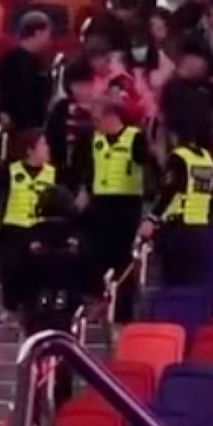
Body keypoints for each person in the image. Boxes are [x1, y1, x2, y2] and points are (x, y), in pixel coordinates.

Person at [16, 185, 101, 405]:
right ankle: (62, 407)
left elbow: (13, 271)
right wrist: (94, 295)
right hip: (68, 308)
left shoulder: (27, 236)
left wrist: (13, 303)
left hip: (35, 307)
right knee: (65, 360)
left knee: (34, 359)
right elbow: (92, 271)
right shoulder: (80, 238)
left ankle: (33, 411)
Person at [71, 101, 151, 314]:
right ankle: (97, 298)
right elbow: (90, 168)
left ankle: (122, 309)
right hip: (100, 202)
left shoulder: (135, 138)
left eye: (98, 119)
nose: (95, 124)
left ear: (112, 117)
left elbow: (149, 167)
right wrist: (86, 190)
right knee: (93, 251)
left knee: (122, 256)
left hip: (126, 203)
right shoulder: (95, 139)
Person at [139, 125, 213, 286]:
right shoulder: (207, 159)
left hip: (177, 230)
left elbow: (170, 191)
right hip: (200, 229)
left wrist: (152, 219)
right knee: (191, 284)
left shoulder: (178, 158)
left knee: (172, 282)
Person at [0, 129, 56, 324]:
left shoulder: (53, 173)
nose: (47, 148)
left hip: (40, 228)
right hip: (14, 226)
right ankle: (9, 307)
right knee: (11, 269)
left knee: (35, 272)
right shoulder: (11, 170)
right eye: (43, 144)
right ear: (30, 149)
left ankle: (33, 308)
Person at [0, 11, 53, 133]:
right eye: (47, 33)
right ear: (38, 33)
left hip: (35, 128)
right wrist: (1, 113)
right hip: (16, 130)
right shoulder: (8, 62)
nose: (49, 39)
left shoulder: (39, 63)